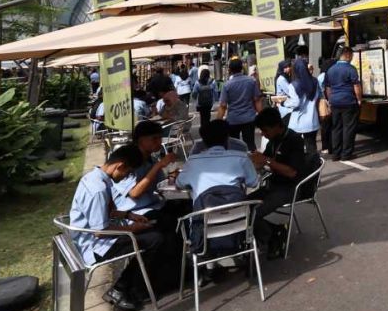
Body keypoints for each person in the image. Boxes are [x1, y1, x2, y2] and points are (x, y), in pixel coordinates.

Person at [68, 144, 161, 311]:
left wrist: (129, 216)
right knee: (154, 239)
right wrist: (133, 229)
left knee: (152, 231)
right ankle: (119, 289)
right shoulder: (98, 189)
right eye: (127, 172)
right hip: (93, 246)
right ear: (119, 166)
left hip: (93, 235)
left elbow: (109, 211)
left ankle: (135, 285)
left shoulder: (97, 177)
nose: (126, 177)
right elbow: (100, 232)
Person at [176, 120, 260, 272]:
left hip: (204, 231)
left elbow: (180, 184)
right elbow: (254, 183)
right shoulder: (240, 157)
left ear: (204, 141)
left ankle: (206, 266)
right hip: (239, 228)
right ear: (227, 137)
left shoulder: (193, 161)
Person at [249, 107, 312, 258]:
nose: (263, 134)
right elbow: (263, 161)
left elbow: (292, 172)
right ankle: (270, 231)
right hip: (272, 185)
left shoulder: (294, 140)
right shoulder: (273, 140)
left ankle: (273, 236)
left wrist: (267, 161)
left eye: (265, 130)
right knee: (240, 207)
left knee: (252, 213)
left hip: (289, 188)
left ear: (277, 125)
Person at [112, 119, 180, 228]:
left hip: (154, 204)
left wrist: (172, 176)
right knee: (169, 221)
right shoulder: (129, 162)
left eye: (160, 138)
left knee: (187, 206)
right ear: (140, 140)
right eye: (154, 139)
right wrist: (159, 166)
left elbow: (161, 185)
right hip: (135, 211)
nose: (159, 142)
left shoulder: (151, 159)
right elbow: (134, 193)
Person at [324, 47, 362, 161]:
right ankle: (346, 154)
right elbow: (356, 86)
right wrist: (359, 99)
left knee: (336, 128)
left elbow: (328, 88)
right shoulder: (351, 69)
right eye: (352, 56)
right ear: (347, 55)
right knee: (348, 128)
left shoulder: (330, 70)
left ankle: (336, 154)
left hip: (335, 102)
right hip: (348, 101)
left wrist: (330, 100)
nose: (352, 58)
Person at [219, 57, 264, 150]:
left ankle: (237, 162)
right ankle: (252, 162)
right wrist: (263, 117)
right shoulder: (251, 81)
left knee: (234, 145)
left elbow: (223, 106)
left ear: (230, 70)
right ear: (242, 68)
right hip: (249, 118)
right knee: (250, 143)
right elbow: (257, 100)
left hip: (233, 119)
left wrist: (217, 122)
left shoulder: (227, 85)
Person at [285, 45, 321, 157]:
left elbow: (295, 103)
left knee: (296, 149)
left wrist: (283, 102)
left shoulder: (294, 85)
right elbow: (318, 96)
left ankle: (301, 171)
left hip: (298, 122)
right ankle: (314, 169)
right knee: (311, 148)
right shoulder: (315, 81)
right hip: (312, 120)